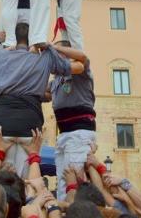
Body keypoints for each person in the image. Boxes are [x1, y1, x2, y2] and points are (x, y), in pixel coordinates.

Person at [0, 23, 86, 177]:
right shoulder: (45, 58)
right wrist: (50, 48)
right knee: (27, 182)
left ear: (13, 37)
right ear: (33, 39)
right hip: (30, 127)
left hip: (2, 125)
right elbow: (80, 66)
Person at [49, 42, 96, 200]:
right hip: (64, 134)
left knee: (75, 179)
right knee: (63, 182)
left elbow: (82, 57)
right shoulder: (56, 80)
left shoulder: (79, 70)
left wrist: (54, 48)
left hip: (79, 131)